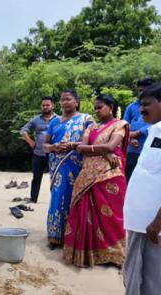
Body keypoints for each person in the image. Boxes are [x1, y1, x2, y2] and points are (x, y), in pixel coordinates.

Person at [63, 94, 128, 267]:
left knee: (111, 216)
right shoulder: (91, 127)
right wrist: (104, 152)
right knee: (84, 210)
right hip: (88, 173)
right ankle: (89, 254)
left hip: (110, 175)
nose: (96, 110)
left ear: (111, 107)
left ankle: (114, 254)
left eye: (100, 107)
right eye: (95, 107)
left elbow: (111, 146)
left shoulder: (120, 125)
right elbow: (82, 148)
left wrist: (100, 149)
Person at [43, 89, 94, 249]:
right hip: (58, 166)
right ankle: (54, 236)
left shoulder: (86, 119)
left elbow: (94, 142)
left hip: (78, 165)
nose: (65, 102)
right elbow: (44, 146)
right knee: (58, 198)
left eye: (68, 99)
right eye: (62, 99)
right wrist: (53, 147)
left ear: (77, 102)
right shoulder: (54, 122)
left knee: (76, 199)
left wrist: (73, 145)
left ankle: (74, 237)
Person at [123, 83, 161, 295]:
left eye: (147, 104)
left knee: (152, 282)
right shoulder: (153, 131)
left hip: (154, 228)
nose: (141, 110)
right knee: (135, 278)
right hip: (139, 224)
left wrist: (157, 221)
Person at [20, 96, 56, 203]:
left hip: (54, 154)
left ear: (52, 106)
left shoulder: (59, 119)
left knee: (55, 178)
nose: (45, 107)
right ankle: (33, 198)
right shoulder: (35, 119)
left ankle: (55, 200)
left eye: (47, 105)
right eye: (43, 105)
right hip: (38, 153)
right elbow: (23, 130)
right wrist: (30, 142)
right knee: (36, 178)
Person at [123, 77, 155, 181]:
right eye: (140, 90)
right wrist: (130, 138)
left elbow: (156, 124)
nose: (142, 93)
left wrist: (138, 132)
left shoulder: (156, 105)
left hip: (151, 149)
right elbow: (124, 125)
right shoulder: (131, 107)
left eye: (145, 90)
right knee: (130, 178)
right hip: (132, 150)